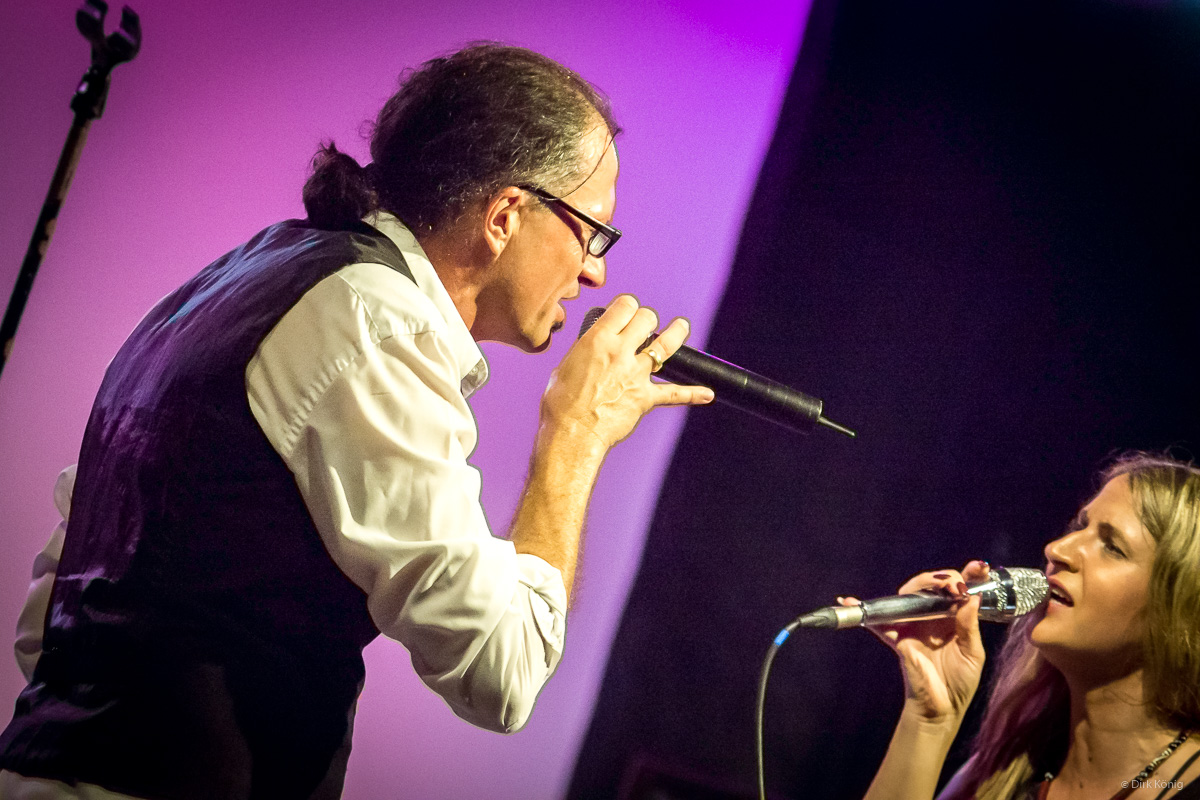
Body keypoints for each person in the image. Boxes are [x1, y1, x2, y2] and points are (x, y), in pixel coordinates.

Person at [0, 44, 713, 799]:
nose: (595, 270)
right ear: (505, 215)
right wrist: (574, 436)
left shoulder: (243, 274)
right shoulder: (376, 323)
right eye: (592, 232)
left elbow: (58, 603)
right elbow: (502, 671)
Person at [855, 453, 1200, 800]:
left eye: (1112, 547)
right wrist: (929, 721)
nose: (1056, 549)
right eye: (1079, 527)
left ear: (1180, 611)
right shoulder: (1001, 773)